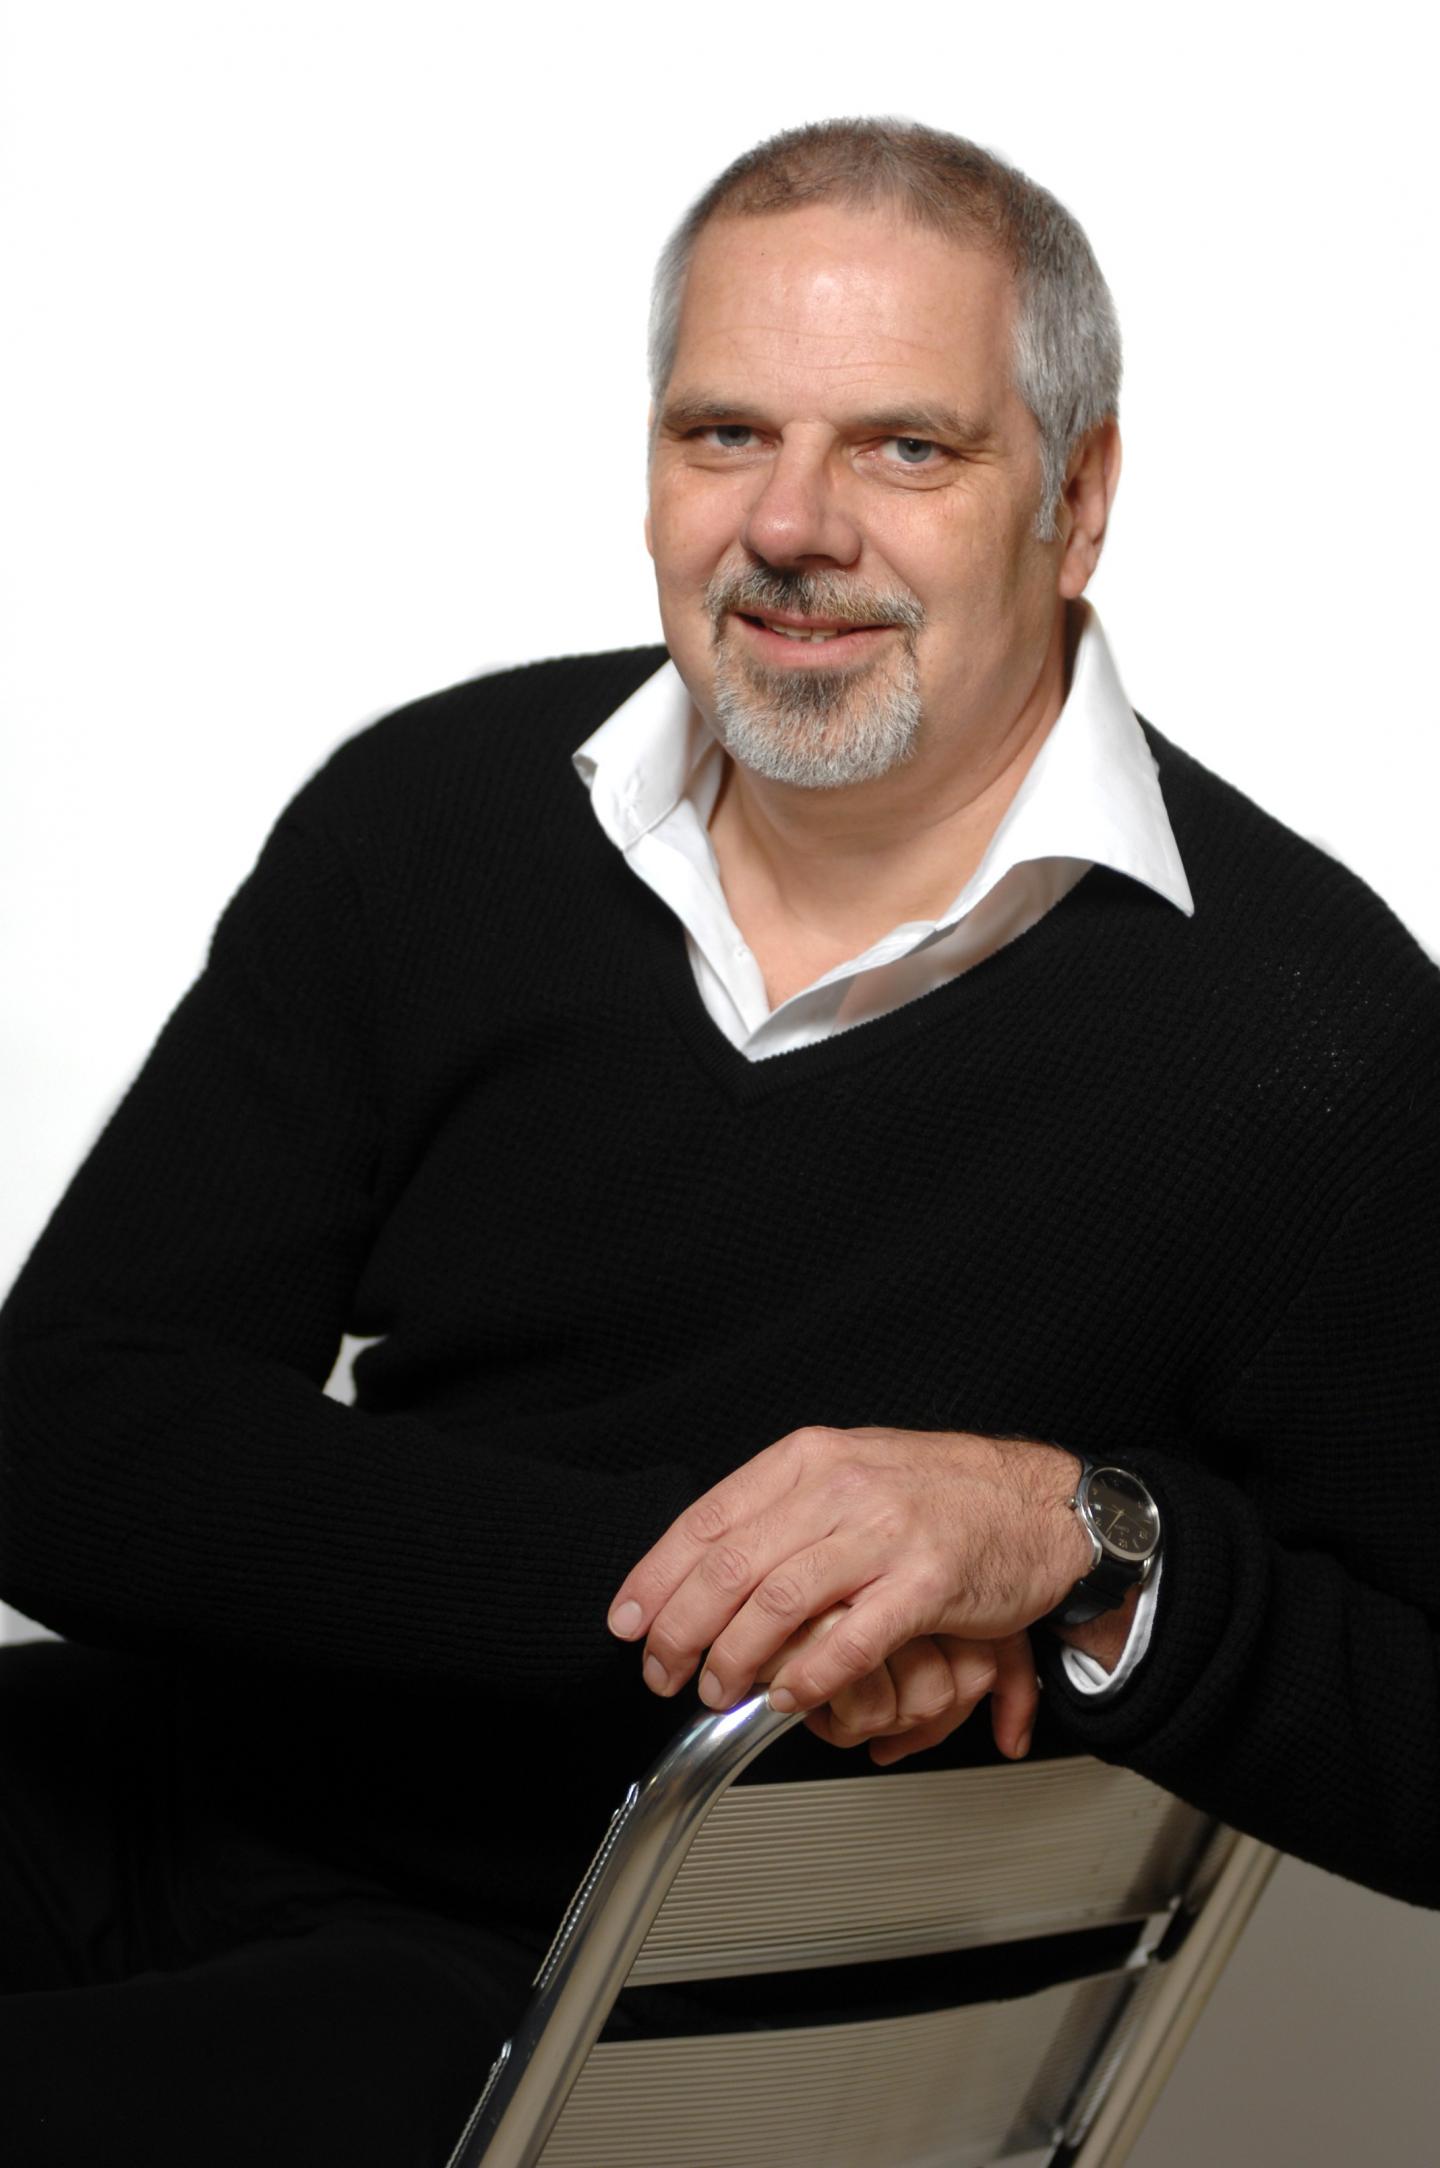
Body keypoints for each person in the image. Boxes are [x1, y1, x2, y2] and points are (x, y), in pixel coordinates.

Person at [1, 116, 1437, 2165]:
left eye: (906, 449)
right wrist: (758, 1599)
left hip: (608, 1993)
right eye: (723, 434)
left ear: (1078, 500)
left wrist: (1079, 1541)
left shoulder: (1315, 1037)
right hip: (180, 1782)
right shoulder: (439, 813)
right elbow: (62, 1439)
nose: (789, 524)